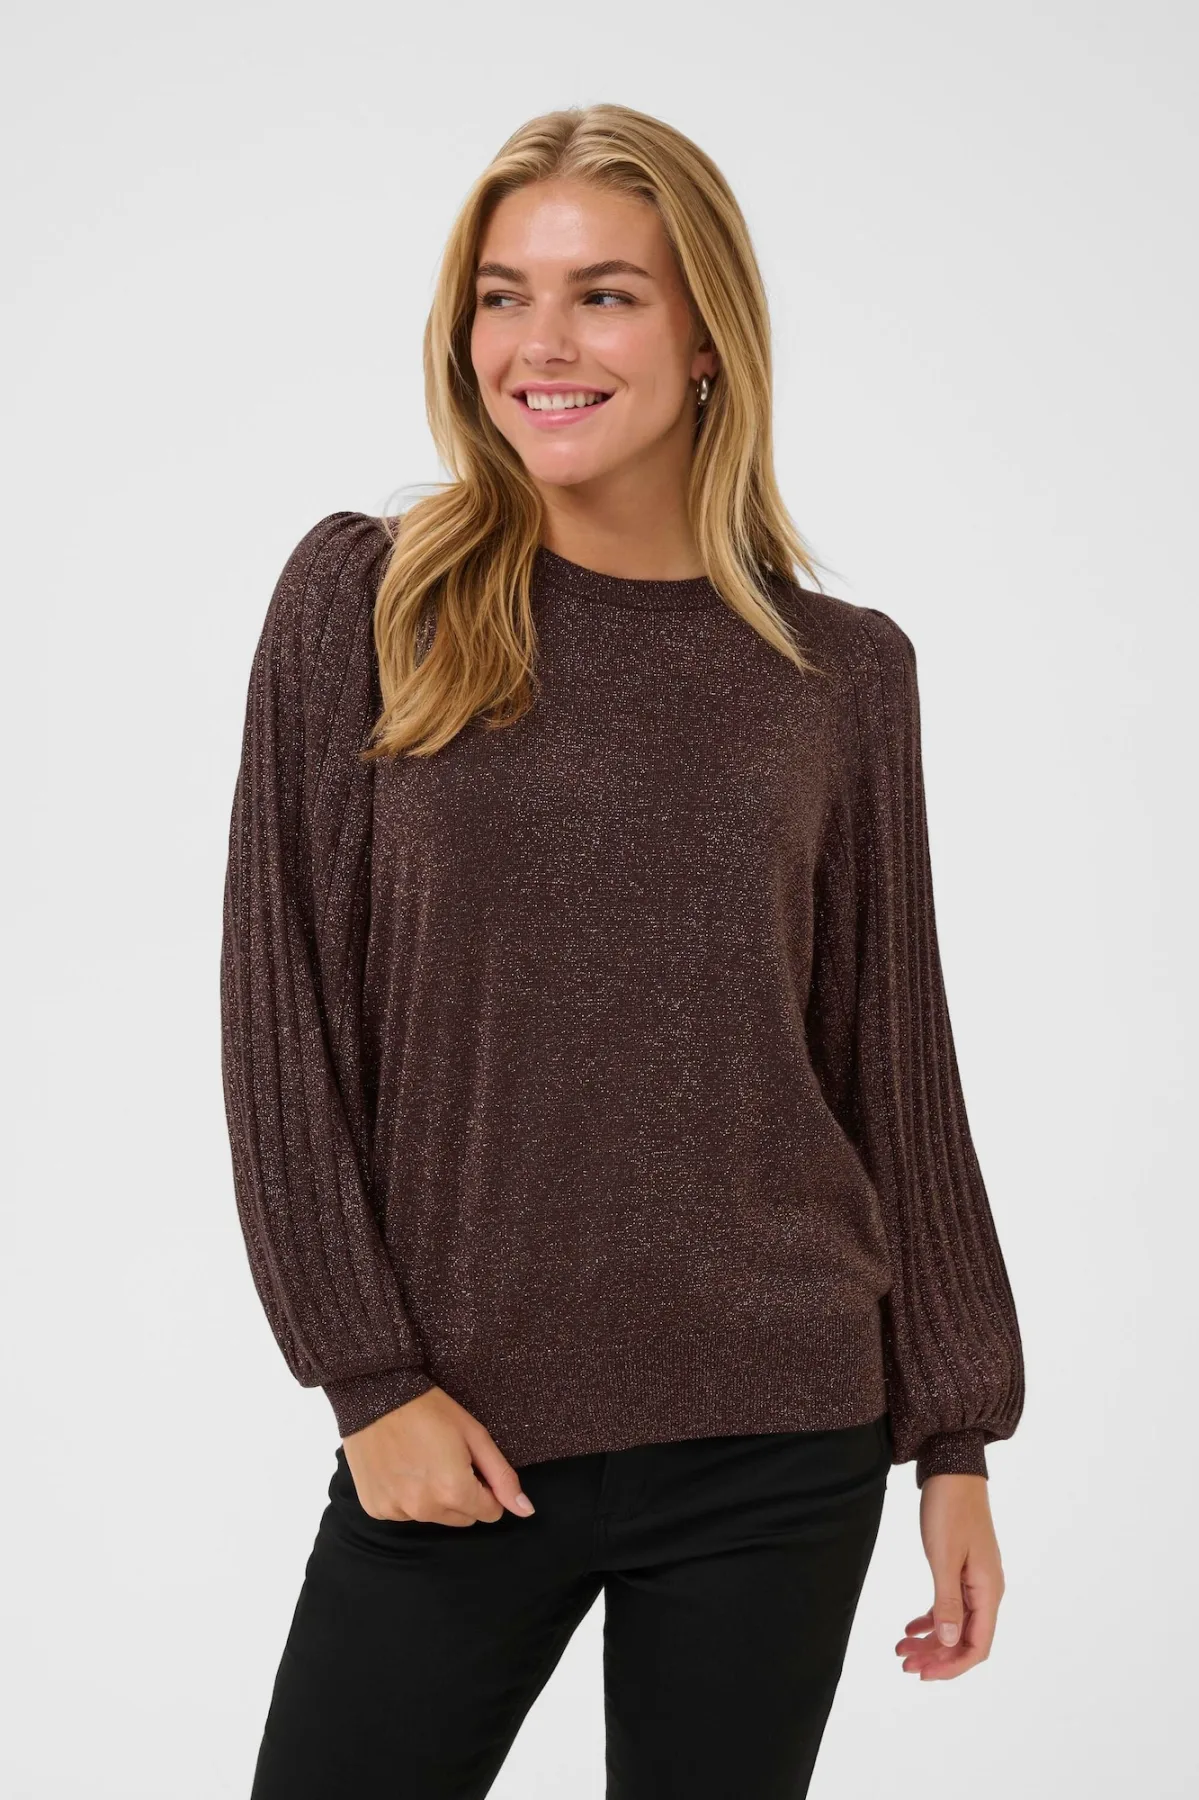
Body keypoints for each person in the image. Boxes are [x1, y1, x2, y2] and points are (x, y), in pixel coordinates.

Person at [219, 101, 1025, 1800]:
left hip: (780, 1430)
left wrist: (951, 1436)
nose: (541, 343)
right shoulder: (368, 602)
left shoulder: (838, 673)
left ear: (706, 334)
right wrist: (367, 1381)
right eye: (501, 296)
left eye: (603, 295)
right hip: (455, 1434)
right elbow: (282, 1018)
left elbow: (890, 1060)